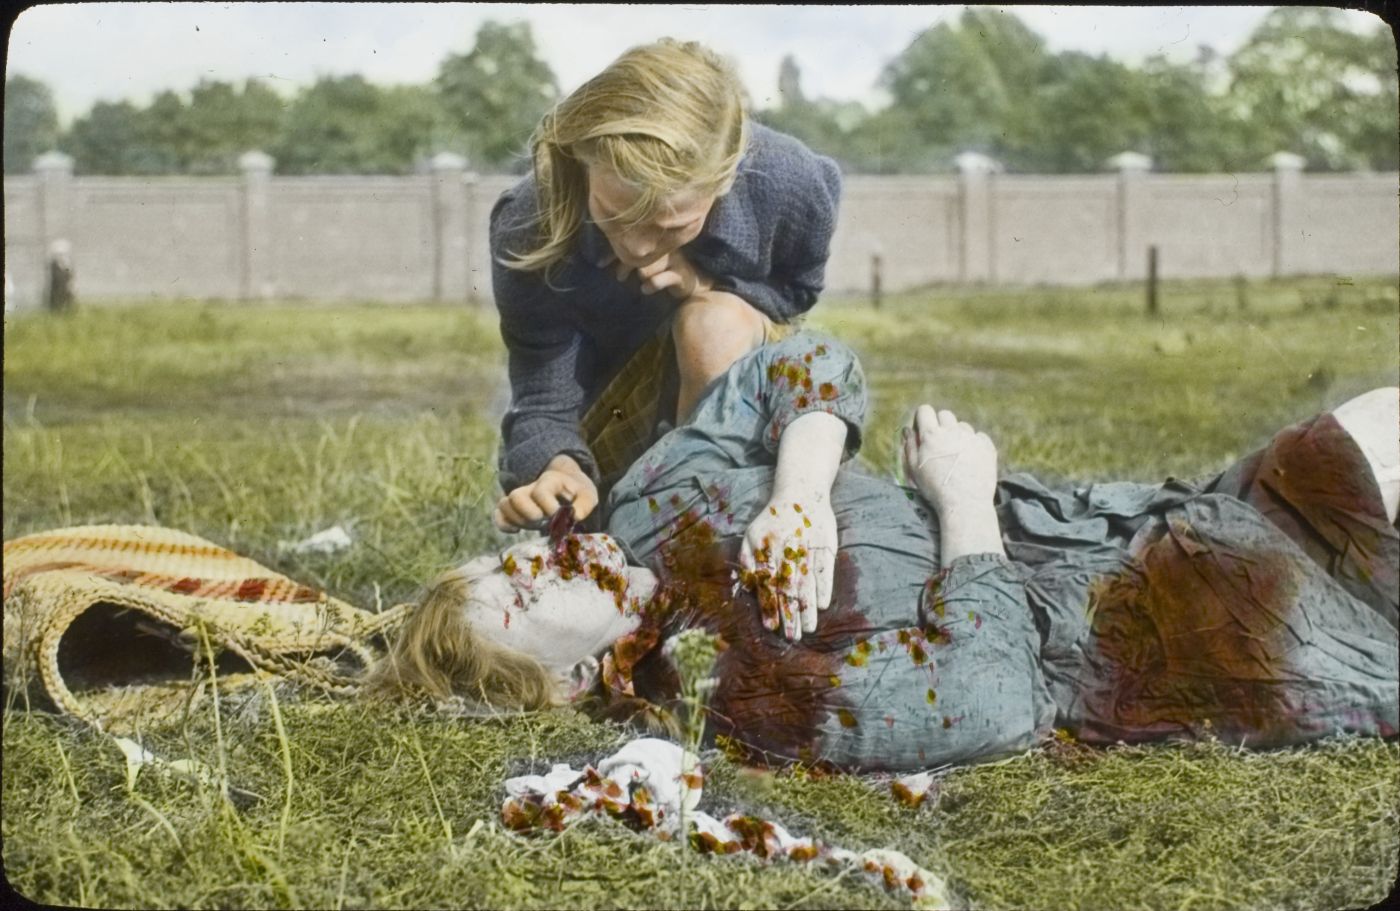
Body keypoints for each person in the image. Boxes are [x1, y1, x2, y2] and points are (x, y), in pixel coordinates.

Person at [373, 332, 1400, 773]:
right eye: (518, 594)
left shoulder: (652, 501)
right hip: (1215, 621)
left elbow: (803, 359)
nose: (531, 557)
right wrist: (962, 505)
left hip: (1171, 515)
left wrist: (798, 494)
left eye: (503, 558)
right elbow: (992, 701)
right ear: (569, 681)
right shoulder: (737, 693)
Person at [488, 38, 842, 538]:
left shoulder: (789, 181)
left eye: (669, 226)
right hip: (614, 415)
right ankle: (643, 520)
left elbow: (796, 295)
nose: (636, 248)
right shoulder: (529, 222)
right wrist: (559, 466)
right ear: (584, 161)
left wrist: (706, 282)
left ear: (726, 180)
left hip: (739, 395)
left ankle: (712, 518)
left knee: (712, 325)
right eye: (613, 214)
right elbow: (544, 398)